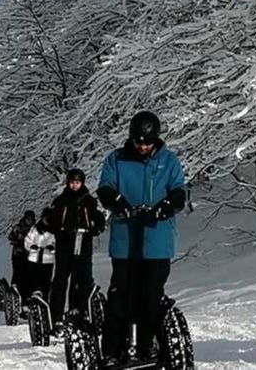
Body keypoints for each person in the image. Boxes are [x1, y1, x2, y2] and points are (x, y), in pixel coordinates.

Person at [96, 111, 187, 363]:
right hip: (125, 240)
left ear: (155, 140)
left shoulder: (168, 161)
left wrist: (165, 206)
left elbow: (179, 192)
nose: (143, 147)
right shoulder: (116, 159)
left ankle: (151, 347)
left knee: (151, 295)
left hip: (157, 241)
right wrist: (118, 203)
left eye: (147, 143)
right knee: (120, 294)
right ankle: (113, 351)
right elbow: (105, 188)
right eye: (138, 142)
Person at [48, 169, 106, 334]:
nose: (75, 185)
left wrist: (96, 228)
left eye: (78, 182)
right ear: (68, 182)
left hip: (84, 243)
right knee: (61, 279)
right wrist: (59, 229)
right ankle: (56, 316)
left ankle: (81, 312)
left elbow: (98, 218)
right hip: (65, 243)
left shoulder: (88, 201)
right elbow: (52, 220)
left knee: (83, 279)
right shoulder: (61, 200)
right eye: (72, 182)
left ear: (82, 183)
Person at [24, 209, 57, 301]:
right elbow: (27, 241)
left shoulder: (54, 231)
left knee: (46, 282)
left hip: (48, 260)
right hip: (34, 259)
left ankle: (44, 301)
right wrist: (31, 246)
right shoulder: (35, 229)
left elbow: (58, 244)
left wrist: (53, 248)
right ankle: (29, 299)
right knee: (32, 280)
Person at [8, 210, 37, 291]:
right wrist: (17, 240)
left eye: (31, 219)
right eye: (28, 219)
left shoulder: (35, 229)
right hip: (18, 254)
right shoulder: (18, 228)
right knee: (18, 273)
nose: (30, 221)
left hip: (31, 256)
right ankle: (14, 290)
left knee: (29, 274)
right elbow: (11, 237)